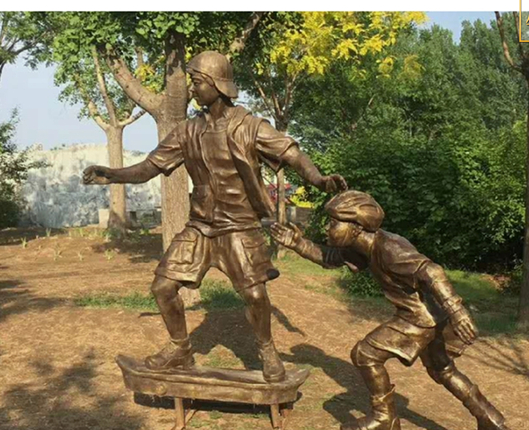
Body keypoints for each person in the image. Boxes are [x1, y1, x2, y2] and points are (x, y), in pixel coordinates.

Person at [83, 50, 346, 384]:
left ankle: (267, 350)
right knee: (163, 287)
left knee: (255, 295)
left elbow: (292, 154)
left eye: (197, 82)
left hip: (239, 227)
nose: (192, 89)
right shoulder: (187, 131)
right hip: (200, 227)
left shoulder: (250, 127)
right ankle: (180, 349)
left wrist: (319, 180)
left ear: (216, 84)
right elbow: (149, 167)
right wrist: (112, 174)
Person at [270, 190, 510, 430]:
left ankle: (384, 419)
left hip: (420, 317)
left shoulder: (389, 247)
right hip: (430, 315)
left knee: (365, 354)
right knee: (443, 370)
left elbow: (431, 271)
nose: (327, 228)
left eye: (333, 222)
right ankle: (489, 417)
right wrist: (297, 243)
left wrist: (458, 311)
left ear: (356, 226)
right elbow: (329, 257)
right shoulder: (362, 246)